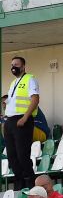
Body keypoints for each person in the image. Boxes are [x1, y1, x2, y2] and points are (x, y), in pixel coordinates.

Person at [4, 55, 38, 190]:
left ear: (23, 66)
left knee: (22, 154)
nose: (13, 67)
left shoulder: (30, 79)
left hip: (22, 121)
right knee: (12, 156)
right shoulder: (13, 83)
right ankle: (19, 184)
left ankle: (31, 184)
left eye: (16, 64)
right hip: (10, 121)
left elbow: (35, 99)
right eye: (12, 64)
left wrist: (25, 117)